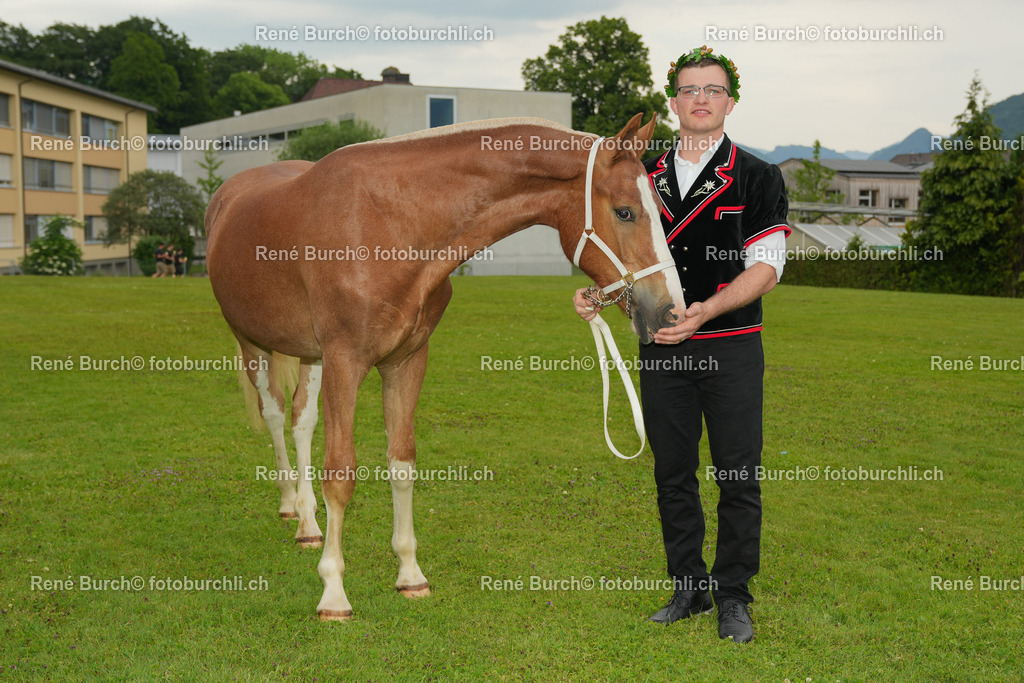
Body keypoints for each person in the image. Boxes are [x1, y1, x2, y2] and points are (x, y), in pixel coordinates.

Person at [574, 45, 790, 643]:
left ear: (730, 101)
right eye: (689, 90)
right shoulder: (642, 177)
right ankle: (688, 587)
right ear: (674, 102)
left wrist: (708, 310)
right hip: (661, 347)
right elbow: (631, 268)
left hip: (732, 345)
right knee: (673, 474)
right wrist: (602, 297)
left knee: (737, 475)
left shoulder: (757, 176)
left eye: (712, 90)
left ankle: (734, 597)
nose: (700, 99)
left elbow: (767, 266)